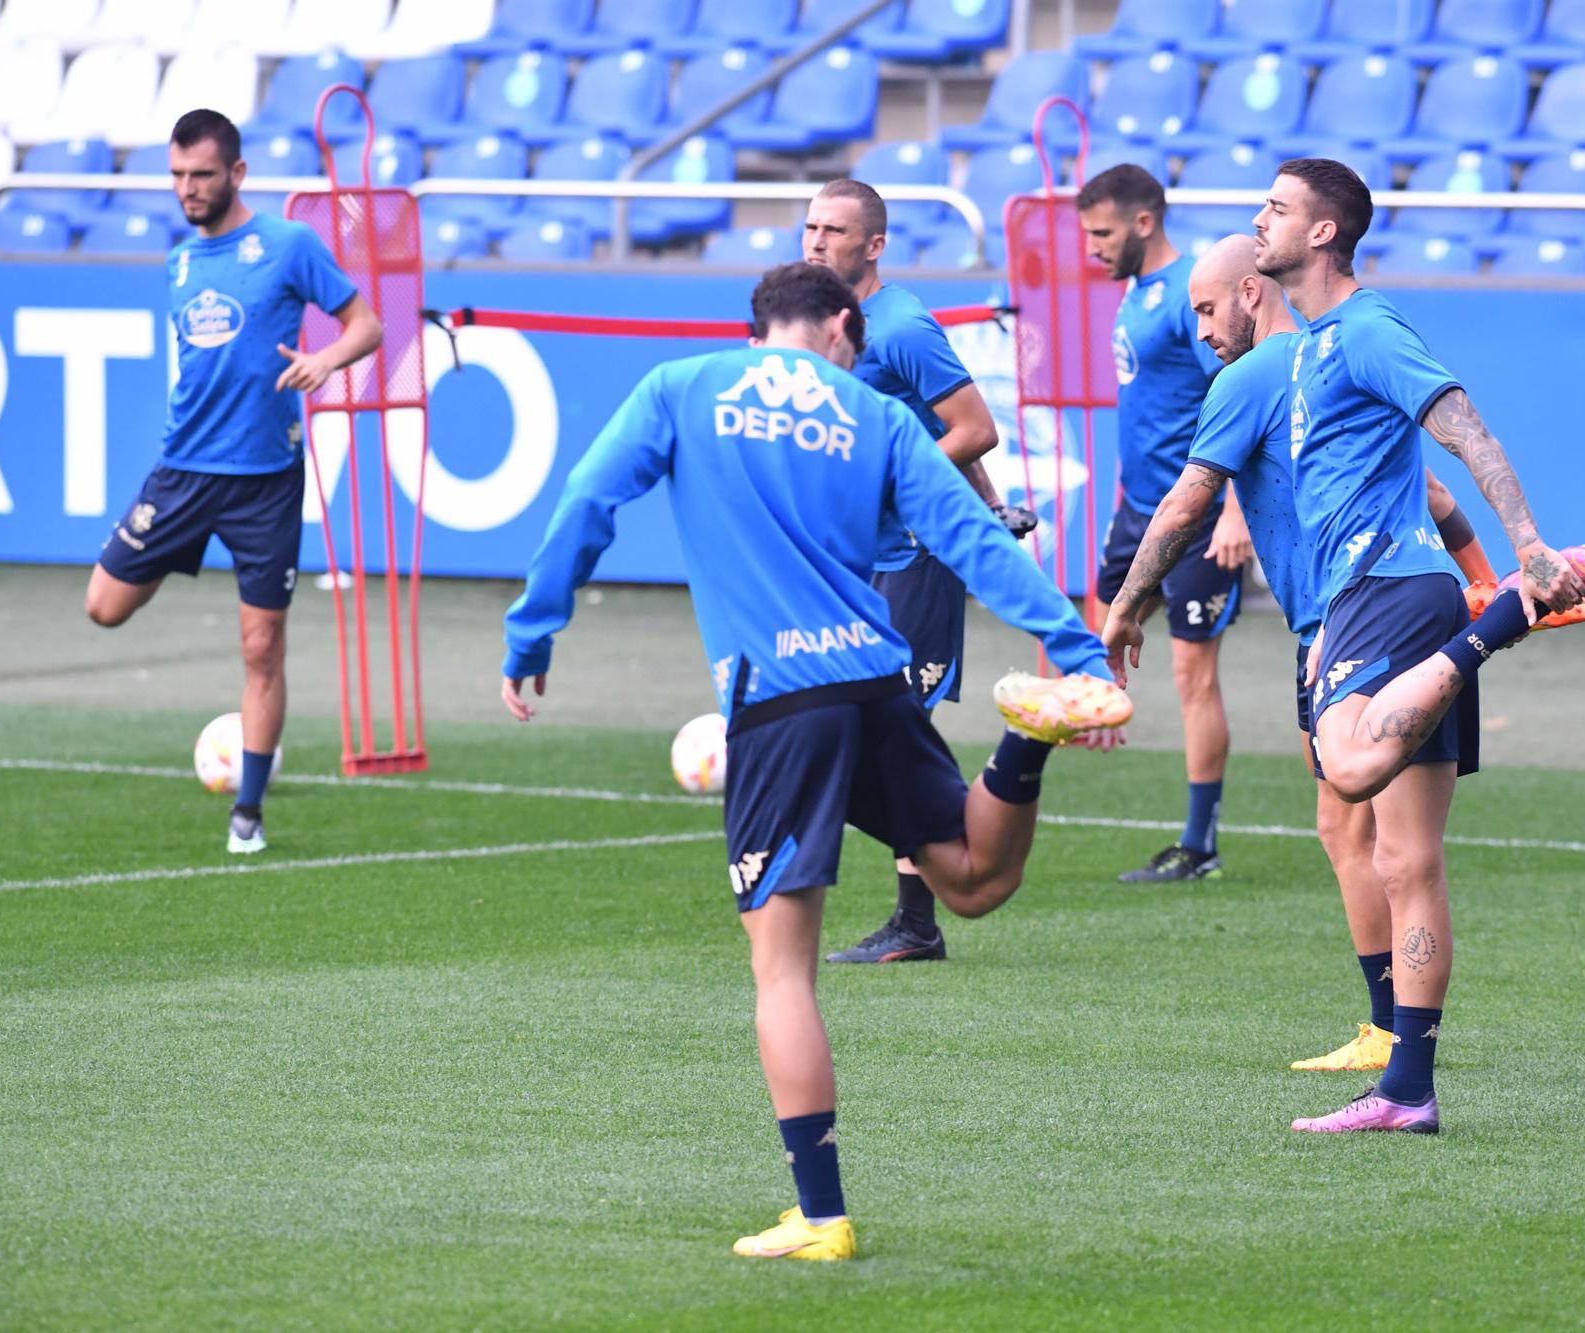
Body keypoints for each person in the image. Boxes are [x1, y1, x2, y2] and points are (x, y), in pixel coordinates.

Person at [499, 263, 1130, 1259]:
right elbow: (968, 534)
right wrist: (1075, 644)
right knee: (970, 878)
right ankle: (1023, 737)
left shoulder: (682, 387)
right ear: (841, 325)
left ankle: (822, 1217)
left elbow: (587, 497)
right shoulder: (869, 413)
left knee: (781, 971)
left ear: (756, 330)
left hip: (779, 703)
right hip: (874, 681)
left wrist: (534, 630)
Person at [1102, 163, 1585, 1135]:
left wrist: (1527, 552)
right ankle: (1406, 1089)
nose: (1260, 219)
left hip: (1383, 596)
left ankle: (1500, 621)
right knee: (1405, 857)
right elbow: (1412, 483)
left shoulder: (1365, 330)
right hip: (1369, 608)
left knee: (1343, 771)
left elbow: (1459, 427)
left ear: (1324, 231)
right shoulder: (1276, 366)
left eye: (1277, 208)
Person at [1174, 236, 1514, 1075]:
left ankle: (1393, 1034)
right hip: (1334, 619)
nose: (1204, 332)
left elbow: (1187, 499)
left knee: (1366, 807)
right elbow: (1437, 497)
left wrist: (1489, 590)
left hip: (1359, 612)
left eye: (1209, 309)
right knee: (1343, 822)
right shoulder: (1304, 369)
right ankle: (1386, 1033)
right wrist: (1480, 575)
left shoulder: (1302, 364)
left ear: (1251, 293)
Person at [84, 108, 383, 855]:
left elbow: (367, 325)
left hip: (264, 482)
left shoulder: (288, 245)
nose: (188, 188)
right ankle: (171, 557)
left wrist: (325, 361)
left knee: (261, 648)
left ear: (237, 174)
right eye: (178, 175)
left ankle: (247, 814)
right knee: (104, 607)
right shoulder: (179, 264)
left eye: (202, 175)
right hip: (181, 473)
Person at [801, 178, 1039, 965]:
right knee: (865, 718)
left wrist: (901, 485)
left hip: (917, 556)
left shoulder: (901, 325)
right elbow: (916, 424)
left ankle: (918, 919)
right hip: (861, 559)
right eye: (809, 227)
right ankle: (910, 914)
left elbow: (974, 427)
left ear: (873, 245)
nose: (816, 241)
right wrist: (992, 505)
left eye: (834, 230)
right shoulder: (821, 327)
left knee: (901, 724)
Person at [1078, 165, 1254, 884]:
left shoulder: (1190, 293)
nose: (1092, 247)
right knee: (1102, 624)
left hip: (1200, 516)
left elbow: (1238, 394)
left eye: (1102, 233)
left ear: (1143, 223)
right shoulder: (1133, 295)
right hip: (1139, 509)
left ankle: (1199, 842)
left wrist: (1236, 510)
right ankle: (1097, 717)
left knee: (1191, 671)